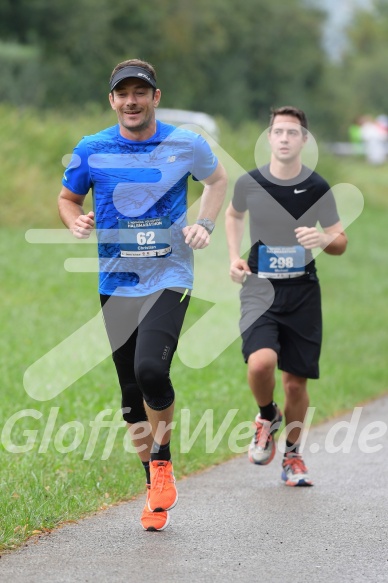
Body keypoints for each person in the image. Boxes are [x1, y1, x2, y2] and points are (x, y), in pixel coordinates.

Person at [58, 58, 227, 530]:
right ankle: (153, 490)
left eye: (140, 92)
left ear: (156, 96)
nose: (131, 101)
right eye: (122, 93)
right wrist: (75, 219)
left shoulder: (185, 143)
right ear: (112, 100)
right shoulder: (91, 149)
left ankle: (163, 459)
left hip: (169, 276)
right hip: (116, 282)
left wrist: (205, 223)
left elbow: (217, 180)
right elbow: (68, 197)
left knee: (151, 368)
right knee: (132, 399)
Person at [225, 106, 347, 486]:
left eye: (292, 132)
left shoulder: (316, 187)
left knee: (296, 383)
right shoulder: (249, 183)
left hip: (303, 292)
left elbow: (340, 240)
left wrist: (324, 239)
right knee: (261, 364)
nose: (284, 138)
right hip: (260, 289)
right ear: (269, 137)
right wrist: (234, 256)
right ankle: (267, 414)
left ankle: (292, 456)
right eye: (278, 131)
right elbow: (233, 215)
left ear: (304, 141)